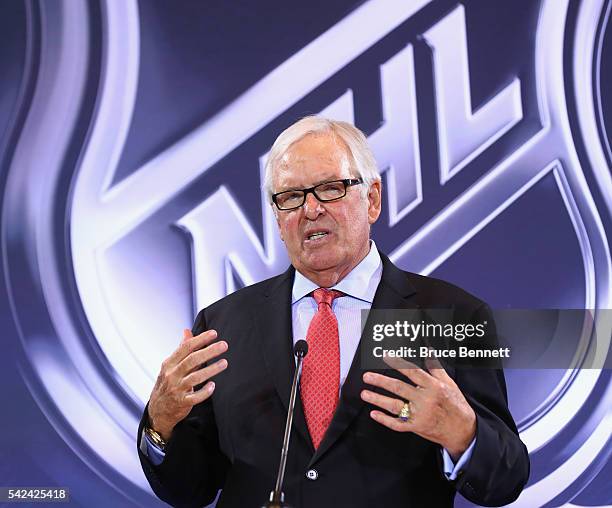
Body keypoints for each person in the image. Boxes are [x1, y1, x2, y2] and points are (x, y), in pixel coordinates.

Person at [137, 117, 529, 507]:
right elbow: (189, 490)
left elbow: (505, 479)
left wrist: (463, 433)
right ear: (277, 218)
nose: (310, 209)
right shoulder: (223, 326)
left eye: (330, 188)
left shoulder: (455, 316)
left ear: (372, 199)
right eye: (290, 196)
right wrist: (161, 424)